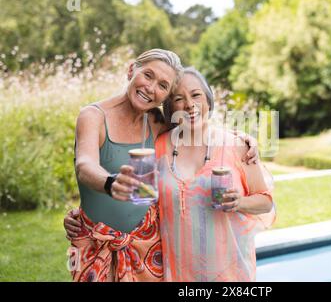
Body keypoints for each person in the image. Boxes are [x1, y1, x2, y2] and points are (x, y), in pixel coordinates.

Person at [65, 50, 258, 282]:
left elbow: (196, 123)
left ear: (165, 96)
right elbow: (84, 165)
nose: (150, 87)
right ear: (130, 70)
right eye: (148, 75)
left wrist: (237, 137)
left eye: (163, 85)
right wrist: (110, 183)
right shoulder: (93, 116)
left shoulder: (156, 122)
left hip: (148, 244)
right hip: (97, 241)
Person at [102, 67, 275, 281]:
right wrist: (84, 218)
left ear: (208, 101)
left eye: (196, 95)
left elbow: (265, 201)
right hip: (178, 274)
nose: (189, 105)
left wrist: (239, 202)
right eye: (179, 99)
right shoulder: (158, 148)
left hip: (231, 274)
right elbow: (134, 200)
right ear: (170, 107)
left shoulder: (237, 146)